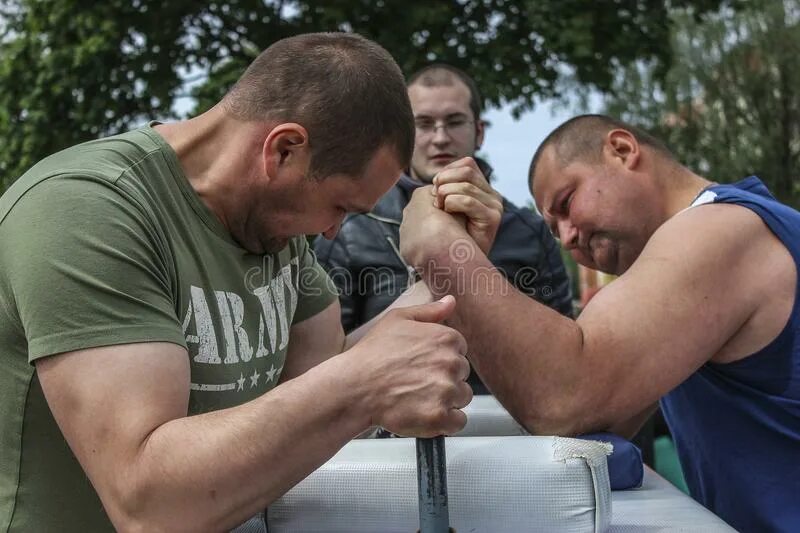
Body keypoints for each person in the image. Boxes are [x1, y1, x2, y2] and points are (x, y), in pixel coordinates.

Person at [0, 33, 477, 532]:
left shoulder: (270, 223)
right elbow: (148, 505)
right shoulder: (85, 212)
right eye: (340, 205)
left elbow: (321, 376)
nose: (335, 231)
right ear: (285, 150)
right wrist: (364, 385)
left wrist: (450, 263)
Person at [399, 114, 800, 532]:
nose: (568, 237)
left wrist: (441, 247)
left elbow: (564, 398)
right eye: (555, 230)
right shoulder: (726, 234)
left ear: (622, 150)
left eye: (567, 203)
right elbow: (593, 425)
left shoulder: (724, 229)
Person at [314, 64, 572, 394]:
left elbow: (559, 355)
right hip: (378, 431)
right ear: (403, 135)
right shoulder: (351, 227)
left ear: (479, 132)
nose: (440, 138)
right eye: (423, 124)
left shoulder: (528, 231)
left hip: (503, 427)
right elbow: (323, 366)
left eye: (454, 122)